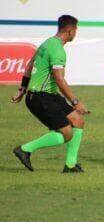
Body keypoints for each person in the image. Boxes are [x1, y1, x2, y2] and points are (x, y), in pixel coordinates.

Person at [11, 15, 89, 173]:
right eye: (75, 30)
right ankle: (25, 149)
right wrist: (75, 101)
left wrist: (22, 90)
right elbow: (60, 80)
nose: (76, 33)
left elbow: (29, 66)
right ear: (69, 30)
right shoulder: (58, 50)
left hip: (48, 95)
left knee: (78, 121)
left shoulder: (47, 43)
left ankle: (70, 165)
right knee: (67, 133)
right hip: (41, 98)